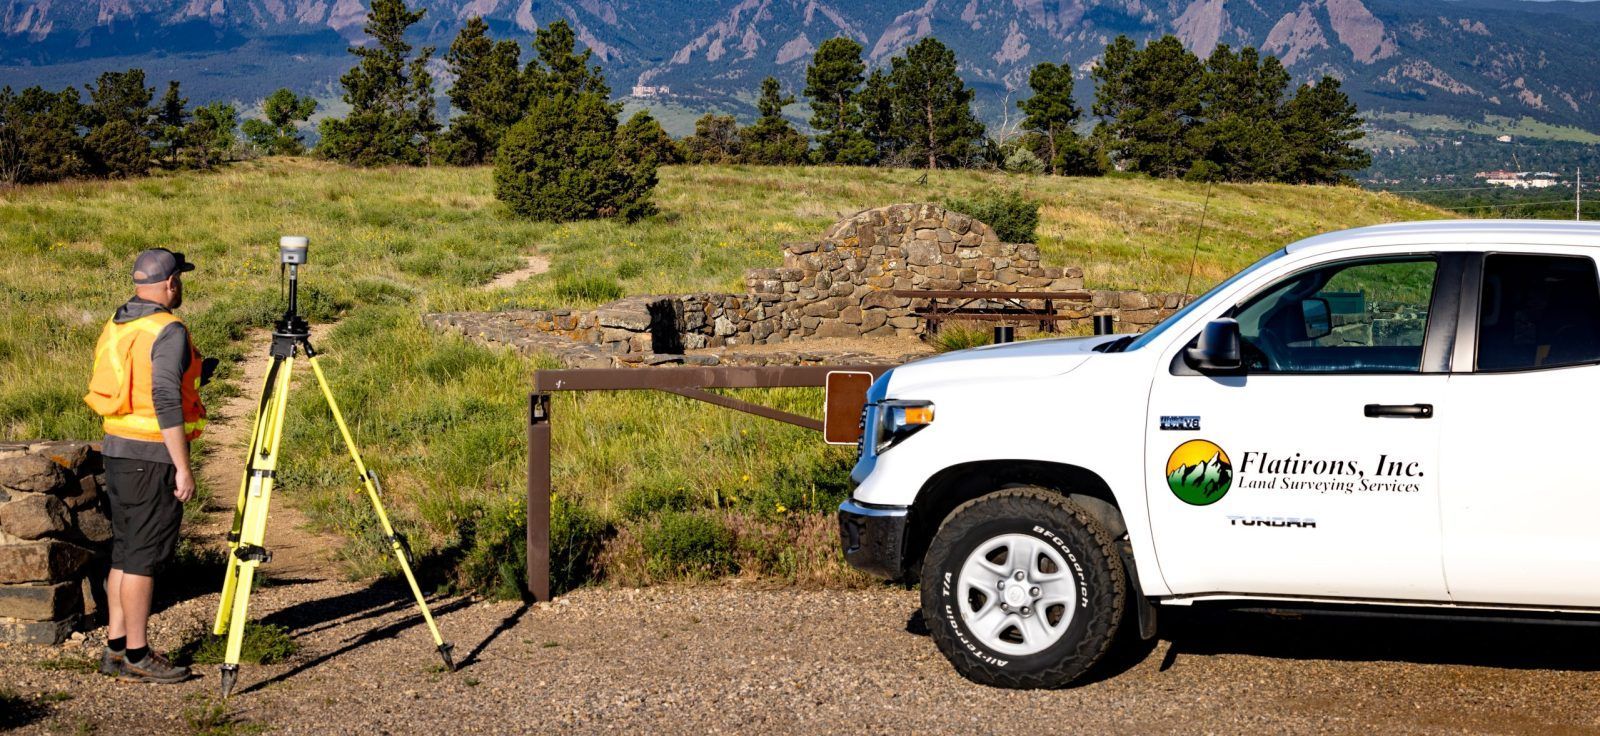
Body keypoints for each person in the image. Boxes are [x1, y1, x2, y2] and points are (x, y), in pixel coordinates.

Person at [83, 248, 208, 684]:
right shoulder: (168, 329)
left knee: (125, 552)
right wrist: (183, 466)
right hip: (151, 454)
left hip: (117, 449)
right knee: (142, 561)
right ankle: (138, 653)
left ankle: (115, 649)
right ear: (171, 283)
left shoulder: (122, 323)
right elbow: (165, 399)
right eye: (181, 280)